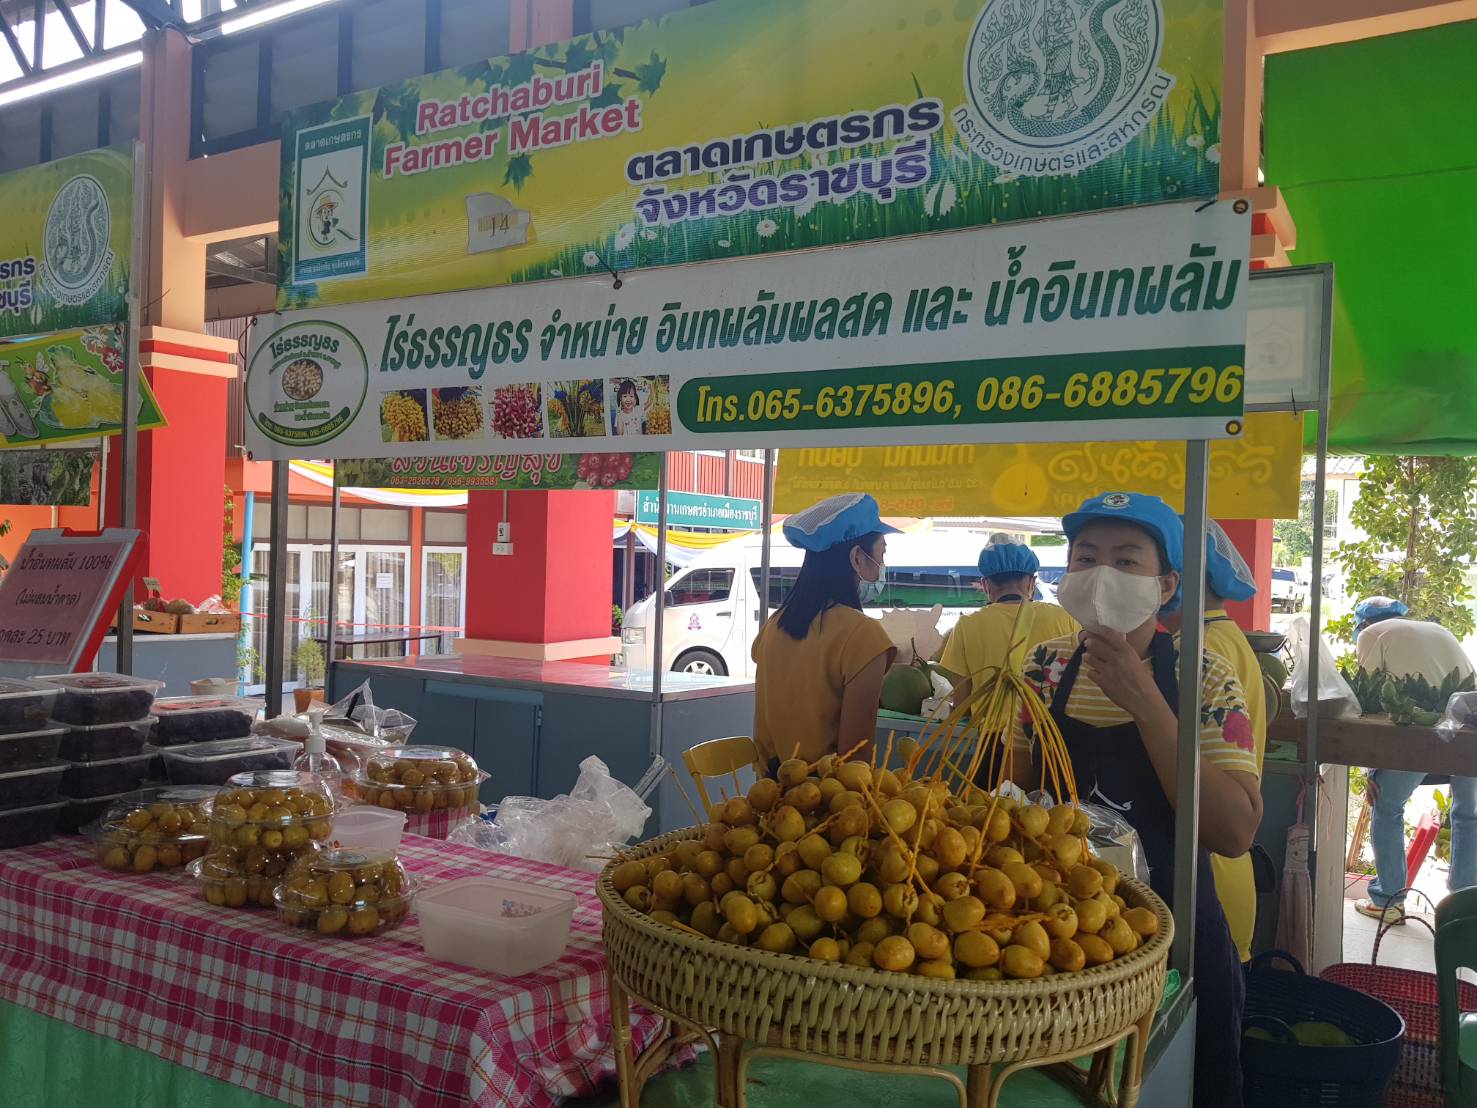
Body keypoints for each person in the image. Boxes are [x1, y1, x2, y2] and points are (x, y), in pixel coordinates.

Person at [1017, 492, 1260, 1108]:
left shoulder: (1205, 677)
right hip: (1055, 940)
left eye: (1126, 560)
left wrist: (1146, 702)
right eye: (1085, 558)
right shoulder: (1043, 668)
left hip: (1174, 939)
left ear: (1167, 584)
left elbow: (1235, 831)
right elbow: (1013, 793)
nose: (1102, 575)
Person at [1160, 520, 1267, 963]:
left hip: (1205, 879)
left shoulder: (1198, 653)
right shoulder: (1227, 637)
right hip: (1224, 873)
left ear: (1174, 578)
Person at [1351, 596, 1477, 923]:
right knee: (1468, 814)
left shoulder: (1371, 634)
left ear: (1365, 623)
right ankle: (1463, 909)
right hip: (1469, 726)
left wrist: (1372, 770)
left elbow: (1371, 701)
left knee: (1386, 805)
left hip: (1424, 730)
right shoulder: (1436, 629)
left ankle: (1389, 900)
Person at [751, 493, 899, 770]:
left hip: (769, 791)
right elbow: (855, 760)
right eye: (882, 553)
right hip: (827, 794)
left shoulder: (774, 625)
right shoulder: (864, 636)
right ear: (858, 558)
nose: (882, 564)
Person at [941, 533, 1077, 709]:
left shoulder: (966, 626)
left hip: (990, 727)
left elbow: (962, 703)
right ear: (1032, 583)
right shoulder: (1065, 617)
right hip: (1050, 726)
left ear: (986, 585)